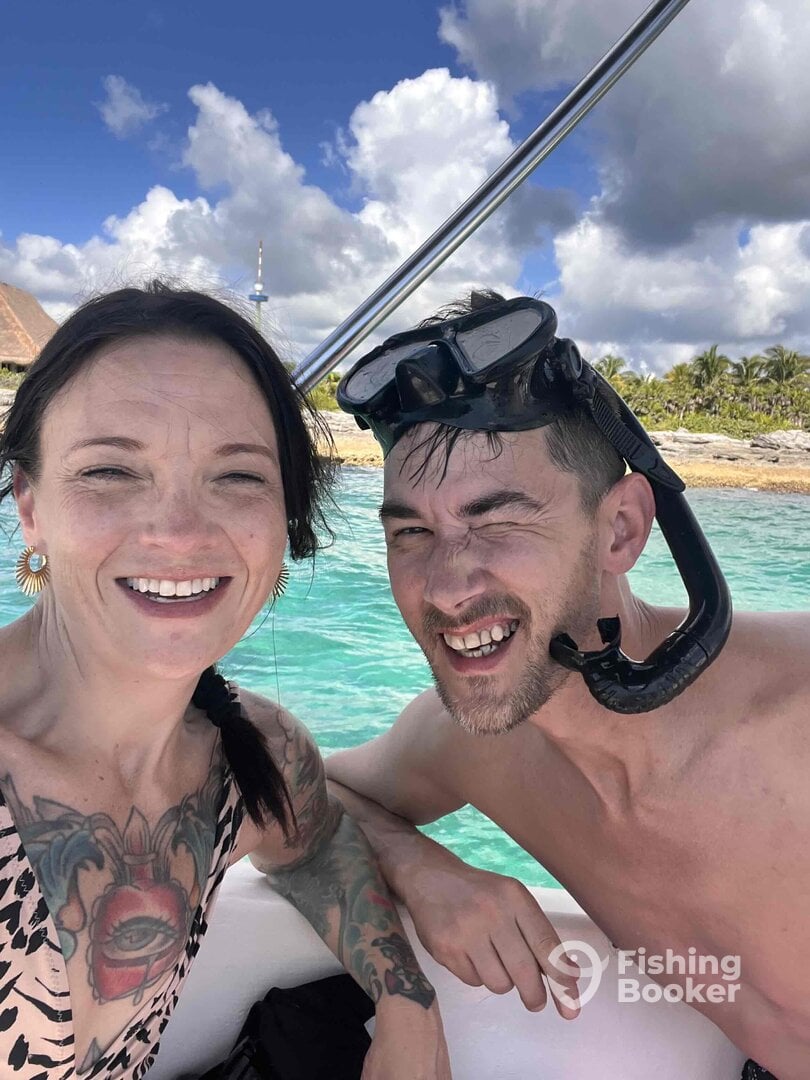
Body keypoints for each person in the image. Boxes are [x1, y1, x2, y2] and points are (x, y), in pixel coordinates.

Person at [326, 290, 810, 1080]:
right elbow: (290, 782)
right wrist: (418, 866)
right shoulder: (476, 748)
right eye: (412, 532)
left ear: (621, 529)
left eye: (498, 522)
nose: (445, 587)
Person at [0, 283, 450, 1080]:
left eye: (238, 477)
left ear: (285, 520)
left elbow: (316, 844)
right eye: (110, 470)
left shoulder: (250, 757)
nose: (179, 533)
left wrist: (405, 997)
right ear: (30, 507)